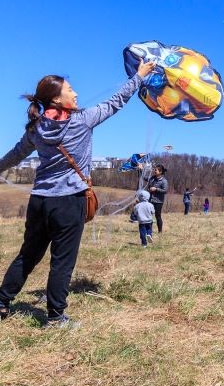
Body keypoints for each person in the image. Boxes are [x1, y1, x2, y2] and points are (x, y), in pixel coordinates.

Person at [0, 59, 156, 327]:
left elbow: (15, 155)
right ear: (58, 100)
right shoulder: (81, 121)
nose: (76, 93)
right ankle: (56, 317)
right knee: (62, 261)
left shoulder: (36, 129)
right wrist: (139, 77)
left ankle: (2, 301)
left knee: (28, 254)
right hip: (68, 203)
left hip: (39, 202)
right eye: (70, 90)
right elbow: (115, 102)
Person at [147, 164, 168, 234]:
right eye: (154, 169)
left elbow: (165, 191)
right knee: (149, 215)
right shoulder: (152, 178)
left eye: (156, 170)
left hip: (158, 201)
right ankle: (149, 231)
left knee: (157, 216)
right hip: (150, 200)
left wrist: (156, 189)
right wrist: (140, 170)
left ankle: (160, 231)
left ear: (160, 172)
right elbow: (145, 178)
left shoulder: (164, 181)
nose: (154, 171)